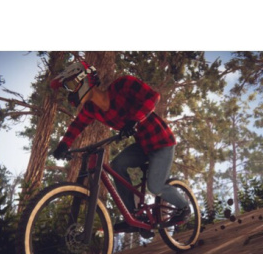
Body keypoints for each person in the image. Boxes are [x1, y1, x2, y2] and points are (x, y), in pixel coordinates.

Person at [50, 60, 190, 235]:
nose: (70, 92)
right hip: (142, 145)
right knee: (117, 165)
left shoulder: (122, 85)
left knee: (155, 187)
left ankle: (184, 208)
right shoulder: (91, 109)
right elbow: (77, 125)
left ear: (85, 79)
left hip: (162, 141)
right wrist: (64, 144)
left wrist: (135, 119)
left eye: (71, 85)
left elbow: (152, 97)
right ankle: (135, 217)